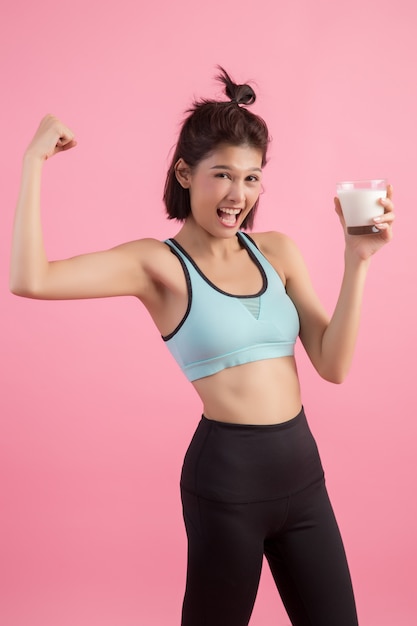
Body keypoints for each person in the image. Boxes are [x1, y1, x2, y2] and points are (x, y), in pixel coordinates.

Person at [10, 67, 394, 626]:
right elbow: (32, 279)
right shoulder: (158, 265)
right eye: (223, 175)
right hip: (227, 483)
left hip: (305, 478)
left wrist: (357, 260)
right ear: (185, 173)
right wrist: (33, 162)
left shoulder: (277, 251)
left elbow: (332, 365)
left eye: (253, 178)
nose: (238, 195)